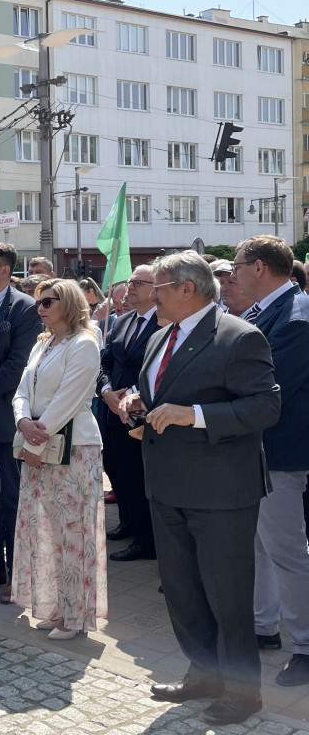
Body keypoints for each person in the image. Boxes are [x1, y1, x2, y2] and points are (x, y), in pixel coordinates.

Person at [119, 251, 280, 726]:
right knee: (184, 592)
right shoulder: (159, 336)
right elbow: (158, 395)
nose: (151, 294)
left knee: (227, 596)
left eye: (159, 286)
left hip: (221, 492)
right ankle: (204, 674)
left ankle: (242, 692)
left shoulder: (238, 336)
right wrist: (137, 400)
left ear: (187, 289)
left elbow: (265, 408)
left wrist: (196, 415)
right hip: (167, 486)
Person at [232, 235, 309, 687]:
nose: (234, 273)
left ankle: (305, 644)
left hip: (278, 451)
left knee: (286, 552)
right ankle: (264, 626)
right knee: (259, 547)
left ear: (259, 267)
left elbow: (264, 383)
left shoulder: (296, 316)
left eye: (239, 265)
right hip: (256, 448)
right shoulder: (263, 312)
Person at [11, 278, 107, 641]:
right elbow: (22, 390)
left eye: (49, 301)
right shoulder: (43, 343)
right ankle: (52, 606)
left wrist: (33, 442)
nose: (42, 308)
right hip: (37, 442)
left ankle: (75, 614)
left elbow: (69, 399)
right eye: (39, 302)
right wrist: (21, 419)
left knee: (73, 532)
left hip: (74, 449)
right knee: (45, 530)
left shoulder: (84, 343)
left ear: (68, 302)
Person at [0, 242, 43, 605]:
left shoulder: (24, 309)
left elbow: (17, 367)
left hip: (2, 420)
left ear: (4, 269)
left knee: (11, 499)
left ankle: (20, 575)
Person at [97, 265, 159, 561]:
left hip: (141, 415)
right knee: (118, 471)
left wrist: (132, 395)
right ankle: (129, 522)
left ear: (156, 288)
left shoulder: (165, 323)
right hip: (113, 410)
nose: (130, 287)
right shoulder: (121, 322)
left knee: (138, 476)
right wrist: (107, 392)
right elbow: (105, 361)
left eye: (138, 282)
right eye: (129, 282)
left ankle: (147, 540)